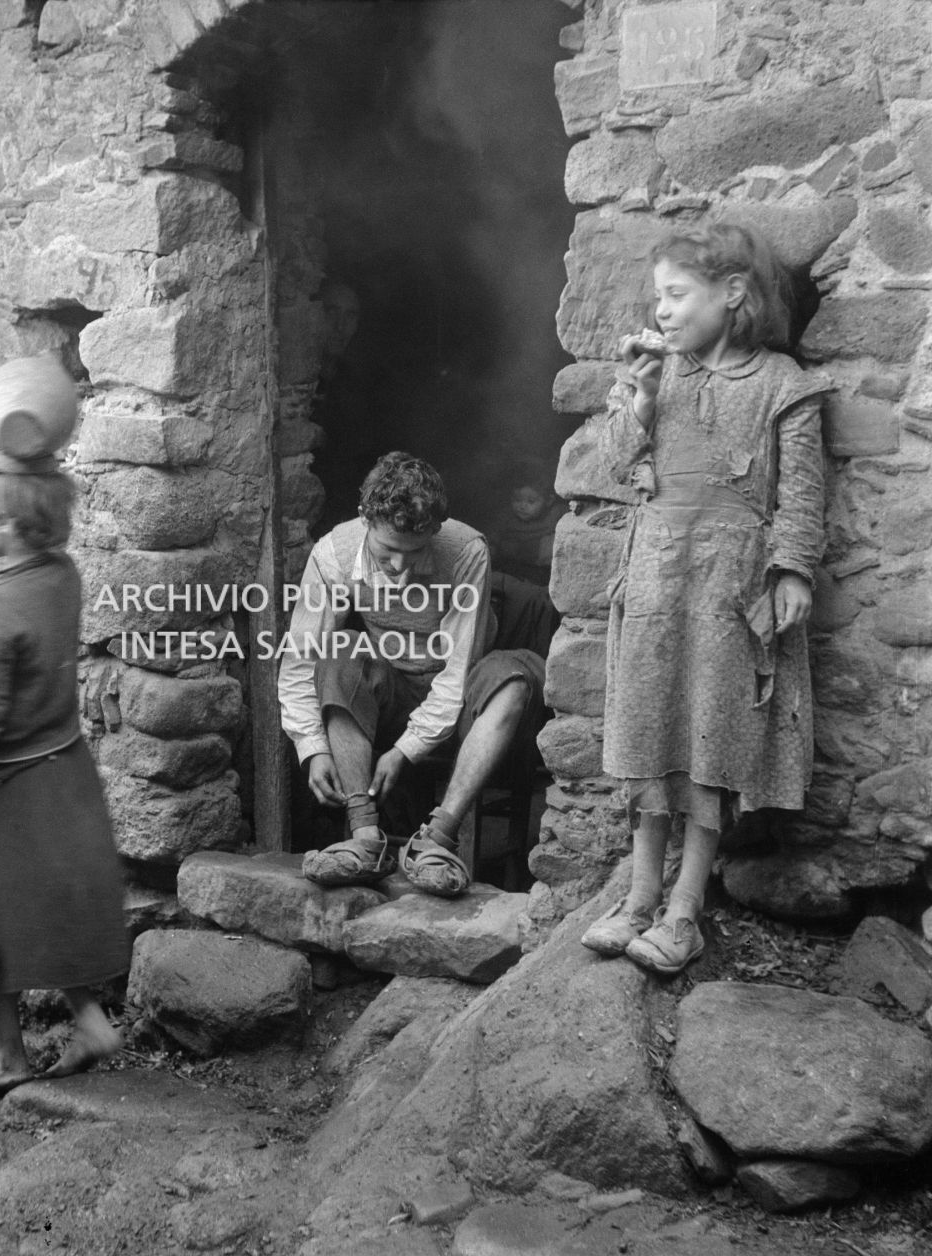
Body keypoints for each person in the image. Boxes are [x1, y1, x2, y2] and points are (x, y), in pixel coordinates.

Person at [580, 222, 827, 974]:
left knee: (713, 737)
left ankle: (684, 910)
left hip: (730, 587)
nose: (662, 309)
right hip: (657, 576)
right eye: (658, 295)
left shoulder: (783, 384)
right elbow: (615, 465)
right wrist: (642, 399)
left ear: (734, 293)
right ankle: (637, 898)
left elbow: (801, 495)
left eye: (677, 294)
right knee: (648, 727)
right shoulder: (656, 372)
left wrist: (792, 570)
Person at [0, 448, 129, 1097]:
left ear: (12, 525)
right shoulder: (62, 575)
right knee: (48, 907)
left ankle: (9, 1056)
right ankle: (91, 1021)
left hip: (8, 786)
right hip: (64, 768)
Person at [278, 451, 548, 897]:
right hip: (392, 691)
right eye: (387, 553)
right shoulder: (333, 553)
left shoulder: (467, 551)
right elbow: (300, 661)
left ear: (435, 532)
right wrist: (311, 747)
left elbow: (457, 673)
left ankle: (437, 840)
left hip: (460, 695)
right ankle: (365, 838)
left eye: (415, 553)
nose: (401, 571)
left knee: (513, 682)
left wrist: (405, 751)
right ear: (365, 519)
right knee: (340, 650)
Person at [489, 455, 567, 586]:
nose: (522, 506)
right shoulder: (507, 517)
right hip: (514, 564)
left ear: (548, 500)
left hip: (542, 568)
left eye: (531, 501)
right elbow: (494, 536)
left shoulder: (555, 513)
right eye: (517, 500)